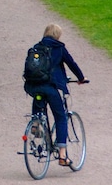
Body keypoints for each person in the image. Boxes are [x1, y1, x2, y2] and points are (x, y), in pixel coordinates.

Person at [24, 24, 87, 167]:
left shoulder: (36, 47)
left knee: (39, 101)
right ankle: (63, 155)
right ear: (57, 35)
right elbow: (72, 64)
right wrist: (81, 78)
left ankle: (35, 125)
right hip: (52, 87)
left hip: (34, 87)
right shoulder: (59, 48)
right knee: (61, 117)